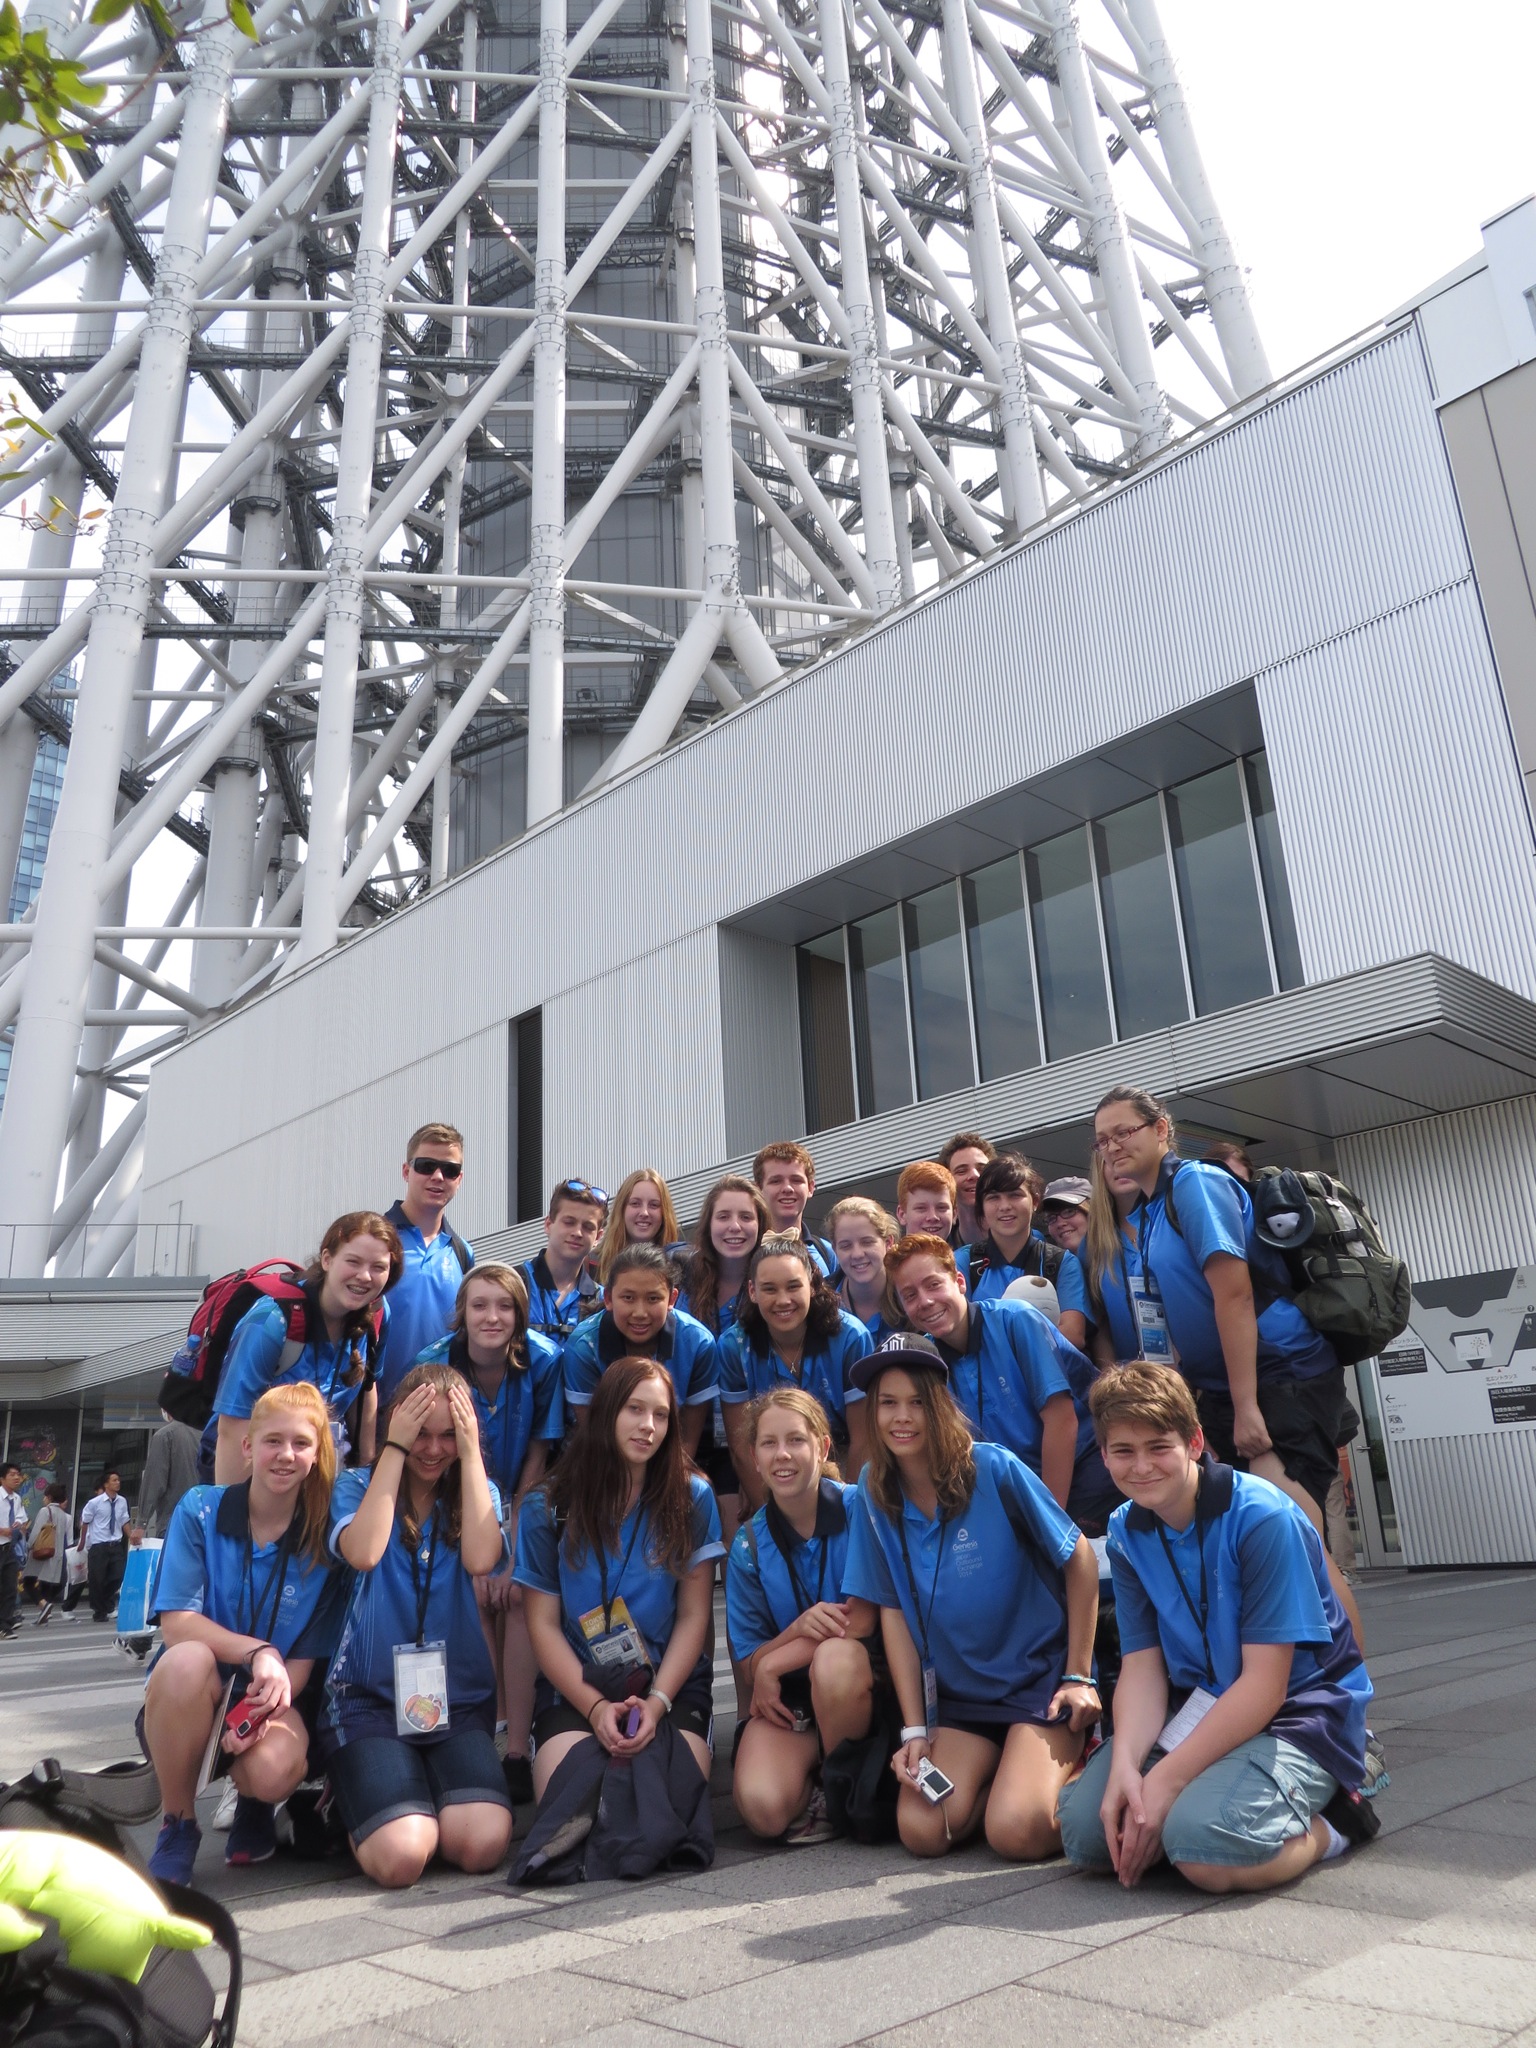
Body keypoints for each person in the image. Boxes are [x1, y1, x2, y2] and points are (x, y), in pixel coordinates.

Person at [1059, 1362, 1376, 1893]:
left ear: (1194, 1441)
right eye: (1123, 1451)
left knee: (1203, 1852)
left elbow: (1265, 1685)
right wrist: (1126, 1769)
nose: (1142, 1467)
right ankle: (1207, 1799)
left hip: (1300, 1711)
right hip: (1199, 1704)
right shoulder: (1125, 1529)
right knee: (1088, 1838)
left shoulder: (1260, 1517)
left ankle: (1342, 1820)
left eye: (1158, 1447)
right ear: (1104, 1454)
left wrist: (1166, 1780)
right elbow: (1142, 1667)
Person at [1094, 1086, 1365, 1643]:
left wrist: (1245, 1408)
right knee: (1262, 1549)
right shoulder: (1149, 1211)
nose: (1113, 1146)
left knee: (1300, 1543)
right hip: (1222, 1390)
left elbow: (1234, 1295)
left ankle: (1349, 1689)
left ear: (1161, 1130)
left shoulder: (1195, 1184)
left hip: (1279, 1378)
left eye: (1125, 1132)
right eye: (1102, 1140)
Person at [842, 1333, 1101, 1860]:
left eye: (917, 1402)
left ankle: (1084, 1763)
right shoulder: (872, 1487)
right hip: (960, 1698)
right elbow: (892, 1611)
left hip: (1037, 1684)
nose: (901, 1417)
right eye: (888, 1403)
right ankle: (1010, 1776)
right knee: (923, 1829)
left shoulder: (993, 1467)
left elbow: (1080, 1559)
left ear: (940, 1404)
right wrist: (915, 1729)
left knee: (1017, 1833)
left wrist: (1078, 1675)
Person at [142, 1384, 347, 1883]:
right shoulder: (200, 1509)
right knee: (185, 1660)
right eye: (273, 1441)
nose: (286, 1454)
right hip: (193, 1693)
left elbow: (299, 1667)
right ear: (248, 1446)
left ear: (317, 1454)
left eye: (301, 1443)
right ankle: (178, 1822)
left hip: (272, 1697)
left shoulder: (324, 1540)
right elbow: (177, 1624)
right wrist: (259, 1652)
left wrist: (258, 1712)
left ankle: (256, 1803)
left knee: (272, 1770)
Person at [321, 1363, 514, 1888]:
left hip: (454, 1702)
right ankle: (351, 1801)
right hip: (368, 1701)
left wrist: (470, 1453)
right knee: (403, 1856)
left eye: (448, 1435)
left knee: (482, 1845)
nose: (432, 1449)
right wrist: (394, 1450)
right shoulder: (355, 1486)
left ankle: (413, 1795)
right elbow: (364, 1552)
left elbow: (481, 1559)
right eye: (420, 1433)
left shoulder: (478, 1490)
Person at [513, 1356, 723, 1805]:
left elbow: (694, 1617)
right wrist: (595, 1709)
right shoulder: (547, 1505)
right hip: (578, 1683)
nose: (648, 1426)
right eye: (634, 1409)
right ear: (606, 1411)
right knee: (574, 1799)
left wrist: (657, 1703)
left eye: (661, 1415)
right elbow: (542, 1626)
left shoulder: (692, 1497)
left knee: (667, 1801)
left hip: (666, 1680)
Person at [413, 1263, 564, 1802]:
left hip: (528, 1496)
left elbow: (540, 1456)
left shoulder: (545, 1359)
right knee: (475, 1592)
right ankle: (491, 1724)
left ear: (521, 1314)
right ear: (462, 1312)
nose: (492, 1317)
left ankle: (518, 1746)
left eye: (504, 1306)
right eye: (479, 1305)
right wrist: (480, 1543)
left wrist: (513, 1543)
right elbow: (432, 1460)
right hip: (455, 1497)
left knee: (519, 1592)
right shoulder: (432, 1364)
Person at [726, 1390, 883, 1845]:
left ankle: (844, 1788)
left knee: (834, 1660)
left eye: (796, 1439)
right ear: (754, 1458)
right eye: (769, 1443)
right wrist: (793, 1633)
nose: (782, 1454)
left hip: (863, 1685)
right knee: (762, 1808)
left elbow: (860, 1622)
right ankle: (810, 1774)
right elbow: (750, 1664)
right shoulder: (749, 1545)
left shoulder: (860, 1508)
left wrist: (774, 1662)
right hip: (793, 1698)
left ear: (823, 1447)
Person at [887, 1233, 1120, 1532]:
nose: (926, 1301)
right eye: (910, 1295)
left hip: (1083, 1466)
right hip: (1019, 1488)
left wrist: (1049, 1524)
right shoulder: (927, 1360)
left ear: (960, 1282)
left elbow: (1062, 1421)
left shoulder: (1016, 1320)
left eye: (933, 1285)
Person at [212, 1211, 403, 1484]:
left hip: (319, 1472)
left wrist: (365, 1473)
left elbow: (366, 1387)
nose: (364, 1276)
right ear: (327, 1259)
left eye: (378, 1267)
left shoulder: (377, 1315)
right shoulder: (271, 1320)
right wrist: (236, 1504)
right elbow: (232, 1428)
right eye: (353, 1261)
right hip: (253, 1471)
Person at [720, 1237, 873, 1504]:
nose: (783, 1300)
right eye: (769, 1289)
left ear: (812, 1285)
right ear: (752, 1291)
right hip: (773, 1460)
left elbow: (863, 1439)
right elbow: (742, 1448)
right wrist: (770, 1514)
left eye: (793, 1287)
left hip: (842, 1456)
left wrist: (848, 1509)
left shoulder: (851, 1337)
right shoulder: (735, 1346)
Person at [677, 1175, 772, 1549]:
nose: (735, 1227)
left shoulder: (771, 1282)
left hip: (746, 1440)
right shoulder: (683, 1283)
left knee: (744, 1550)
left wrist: (751, 1472)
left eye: (746, 1217)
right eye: (724, 1217)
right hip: (687, 1435)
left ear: (761, 1224)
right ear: (708, 1224)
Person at [562, 1244, 719, 1457]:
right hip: (602, 1456)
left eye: (653, 1299)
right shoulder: (583, 1346)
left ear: (672, 1299)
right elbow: (594, 1436)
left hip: (670, 1455)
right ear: (608, 1298)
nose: (640, 1313)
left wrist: (670, 1477)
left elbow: (687, 1440)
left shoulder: (698, 1343)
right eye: (628, 1298)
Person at [377, 1121, 474, 1405]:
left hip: (440, 1411)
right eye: (426, 1166)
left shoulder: (462, 1252)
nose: (438, 1176)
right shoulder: (375, 1239)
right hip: (376, 1408)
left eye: (450, 1170)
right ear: (406, 1171)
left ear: (459, 1179)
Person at [519, 1178, 607, 1340]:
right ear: (548, 1224)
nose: (577, 1233)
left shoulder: (603, 1301)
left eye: (588, 1227)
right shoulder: (514, 1284)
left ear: (598, 1237)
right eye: (569, 1222)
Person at [752, 1141, 834, 1277]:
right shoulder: (745, 1253)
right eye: (776, 1181)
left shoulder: (828, 1252)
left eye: (796, 1180)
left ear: (810, 1188)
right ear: (758, 1189)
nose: (787, 1188)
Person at [827, 1197, 899, 1337]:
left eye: (867, 1242)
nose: (857, 1254)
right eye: (846, 1246)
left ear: (888, 1243)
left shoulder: (912, 1297)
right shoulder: (818, 1302)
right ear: (835, 1249)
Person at [596, 1168, 681, 1286]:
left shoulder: (679, 1267)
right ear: (621, 1209)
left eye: (654, 1205)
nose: (644, 1213)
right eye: (635, 1203)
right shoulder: (592, 1264)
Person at [139, 1411, 202, 1539]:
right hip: (202, 1523)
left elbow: (154, 1481)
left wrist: (142, 1522)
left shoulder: (164, 1435)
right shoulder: (205, 1436)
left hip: (172, 1521)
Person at [79, 1469, 131, 1624]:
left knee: (118, 1575)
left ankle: (105, 1600)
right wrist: (82, 1542)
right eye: (114, 1480)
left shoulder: (122, 1501)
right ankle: (99, 1611)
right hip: (99, 1545)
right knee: (97, 1579)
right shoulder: (94, 1503)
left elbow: (124, 1520)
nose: (117, 1483)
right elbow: (85, 1523)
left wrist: (132, 1536)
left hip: (115, 1544)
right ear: (106, 1484)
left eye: (118, 1480)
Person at [938, 1132, 995, 1248]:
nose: (974, 1175)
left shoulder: (1026, 1239)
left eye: (982, 1169)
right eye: (961, 1171)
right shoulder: (939, 1252)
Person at [24, 1481, 70, 1621]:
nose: (43, 1499)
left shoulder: (45, 1511)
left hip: (41, 1552)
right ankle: (44, 1613)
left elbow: (36, 1532)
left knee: (28, 1582)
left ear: (49, 1497)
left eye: (45, 1496)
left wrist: (28, 1546)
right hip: (55, 1554)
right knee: (45, 1585)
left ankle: (44, 1606)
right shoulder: (63, 1514)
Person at [895, 1162, 956, 1242]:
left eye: (941, 1208)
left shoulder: (968, 1250)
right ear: (902, 1215)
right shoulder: (886, 1250)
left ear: (954, 1214)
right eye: (921, 1208)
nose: (933, 1217)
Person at [0, 1461, 27, 1637]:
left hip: (9, 1549)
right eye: (12, 1474)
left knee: (10, 1588)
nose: (16, 1477)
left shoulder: (16, 1499)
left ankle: (5, 1626)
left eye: (18, 1474)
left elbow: (21, 1520)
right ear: (2, 1479)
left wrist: (18, 1527)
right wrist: (3, 1530)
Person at [1039, 1178, 1092, 1258]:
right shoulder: (1045, 1262)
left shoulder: (1112, 1257)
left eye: (1069, 1212)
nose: (1060, 1224)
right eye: (1051, 1218)